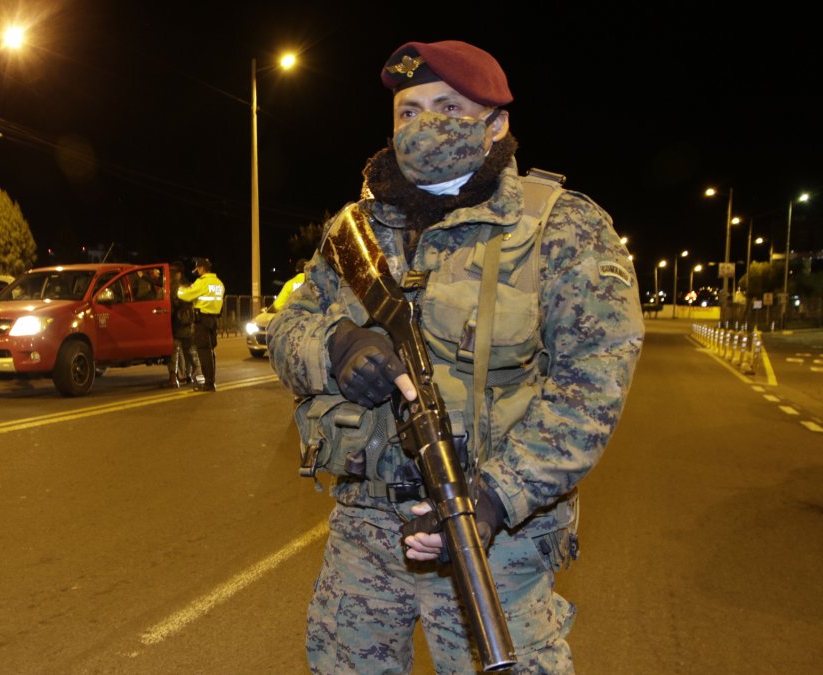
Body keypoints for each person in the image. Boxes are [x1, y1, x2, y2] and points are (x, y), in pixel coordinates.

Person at [267, 40, 643, 673]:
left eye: (448, 105)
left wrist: (496, 496)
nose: (424, 123)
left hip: (494, 532)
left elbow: (592, 387)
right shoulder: (357, 230)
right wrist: (335, 345)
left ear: (496, 124)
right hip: (367, 527)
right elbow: (288, 326)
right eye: (409, 111)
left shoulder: (562, 227)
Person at [176, 257, 225, 392]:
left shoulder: (202, 282)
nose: (197, 271)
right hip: (213, 320)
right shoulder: (219, 283)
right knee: (210, 352)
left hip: (202, 320)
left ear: (202, 268)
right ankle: (211, 381)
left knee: (204, 352)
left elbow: (186, 296)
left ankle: (208, 384)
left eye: (198, 269)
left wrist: (178, 290)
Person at [164, 262, 198, 387]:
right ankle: (188, 373)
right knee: (186, 349)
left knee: (174, 350)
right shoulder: (187, 285)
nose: (170, 274)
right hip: (186, 321)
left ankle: (175, 377)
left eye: (172, 272)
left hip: (179, 321)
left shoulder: (175, 286)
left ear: (178, 273)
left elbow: (175, 303)